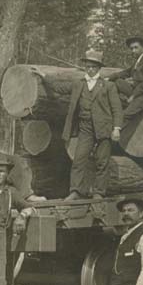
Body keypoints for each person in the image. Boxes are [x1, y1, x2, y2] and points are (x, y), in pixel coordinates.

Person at [51, 50, 123, 200]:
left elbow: (117, 109)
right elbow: (59, 88)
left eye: (93, 67)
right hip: (85, 128)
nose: (90, 69)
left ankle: (98, 192)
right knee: (79, 159)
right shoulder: (79, 84)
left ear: (99, 68)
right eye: (88, 66)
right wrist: (43, 77)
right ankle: (76, 191)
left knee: (102, 161)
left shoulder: (108, 86)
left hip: (104, 128)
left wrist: (116, 128)